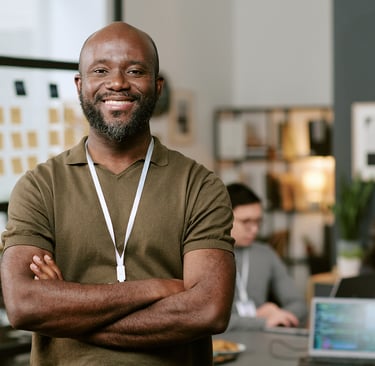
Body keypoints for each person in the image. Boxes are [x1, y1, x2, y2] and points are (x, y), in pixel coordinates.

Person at [0, 22, 236, 366]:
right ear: (80, 86)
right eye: (100, 70)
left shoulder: (200, 186)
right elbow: (24, 305)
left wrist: (67, 313)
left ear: (156, 87)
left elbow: (208, 311)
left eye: (135, 70)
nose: (117, 83)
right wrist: (155, 288)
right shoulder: (39, 186)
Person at [226, 182, 307, 330]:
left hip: (261, 341)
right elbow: (207, 322)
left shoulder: (265, 253)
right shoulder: (206, 256)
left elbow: (299, 305)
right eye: (246, 222)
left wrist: (280, 316)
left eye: (258, 221)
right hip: (221, 346)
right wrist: (261, 320)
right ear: (223, 218)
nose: (255, 229)